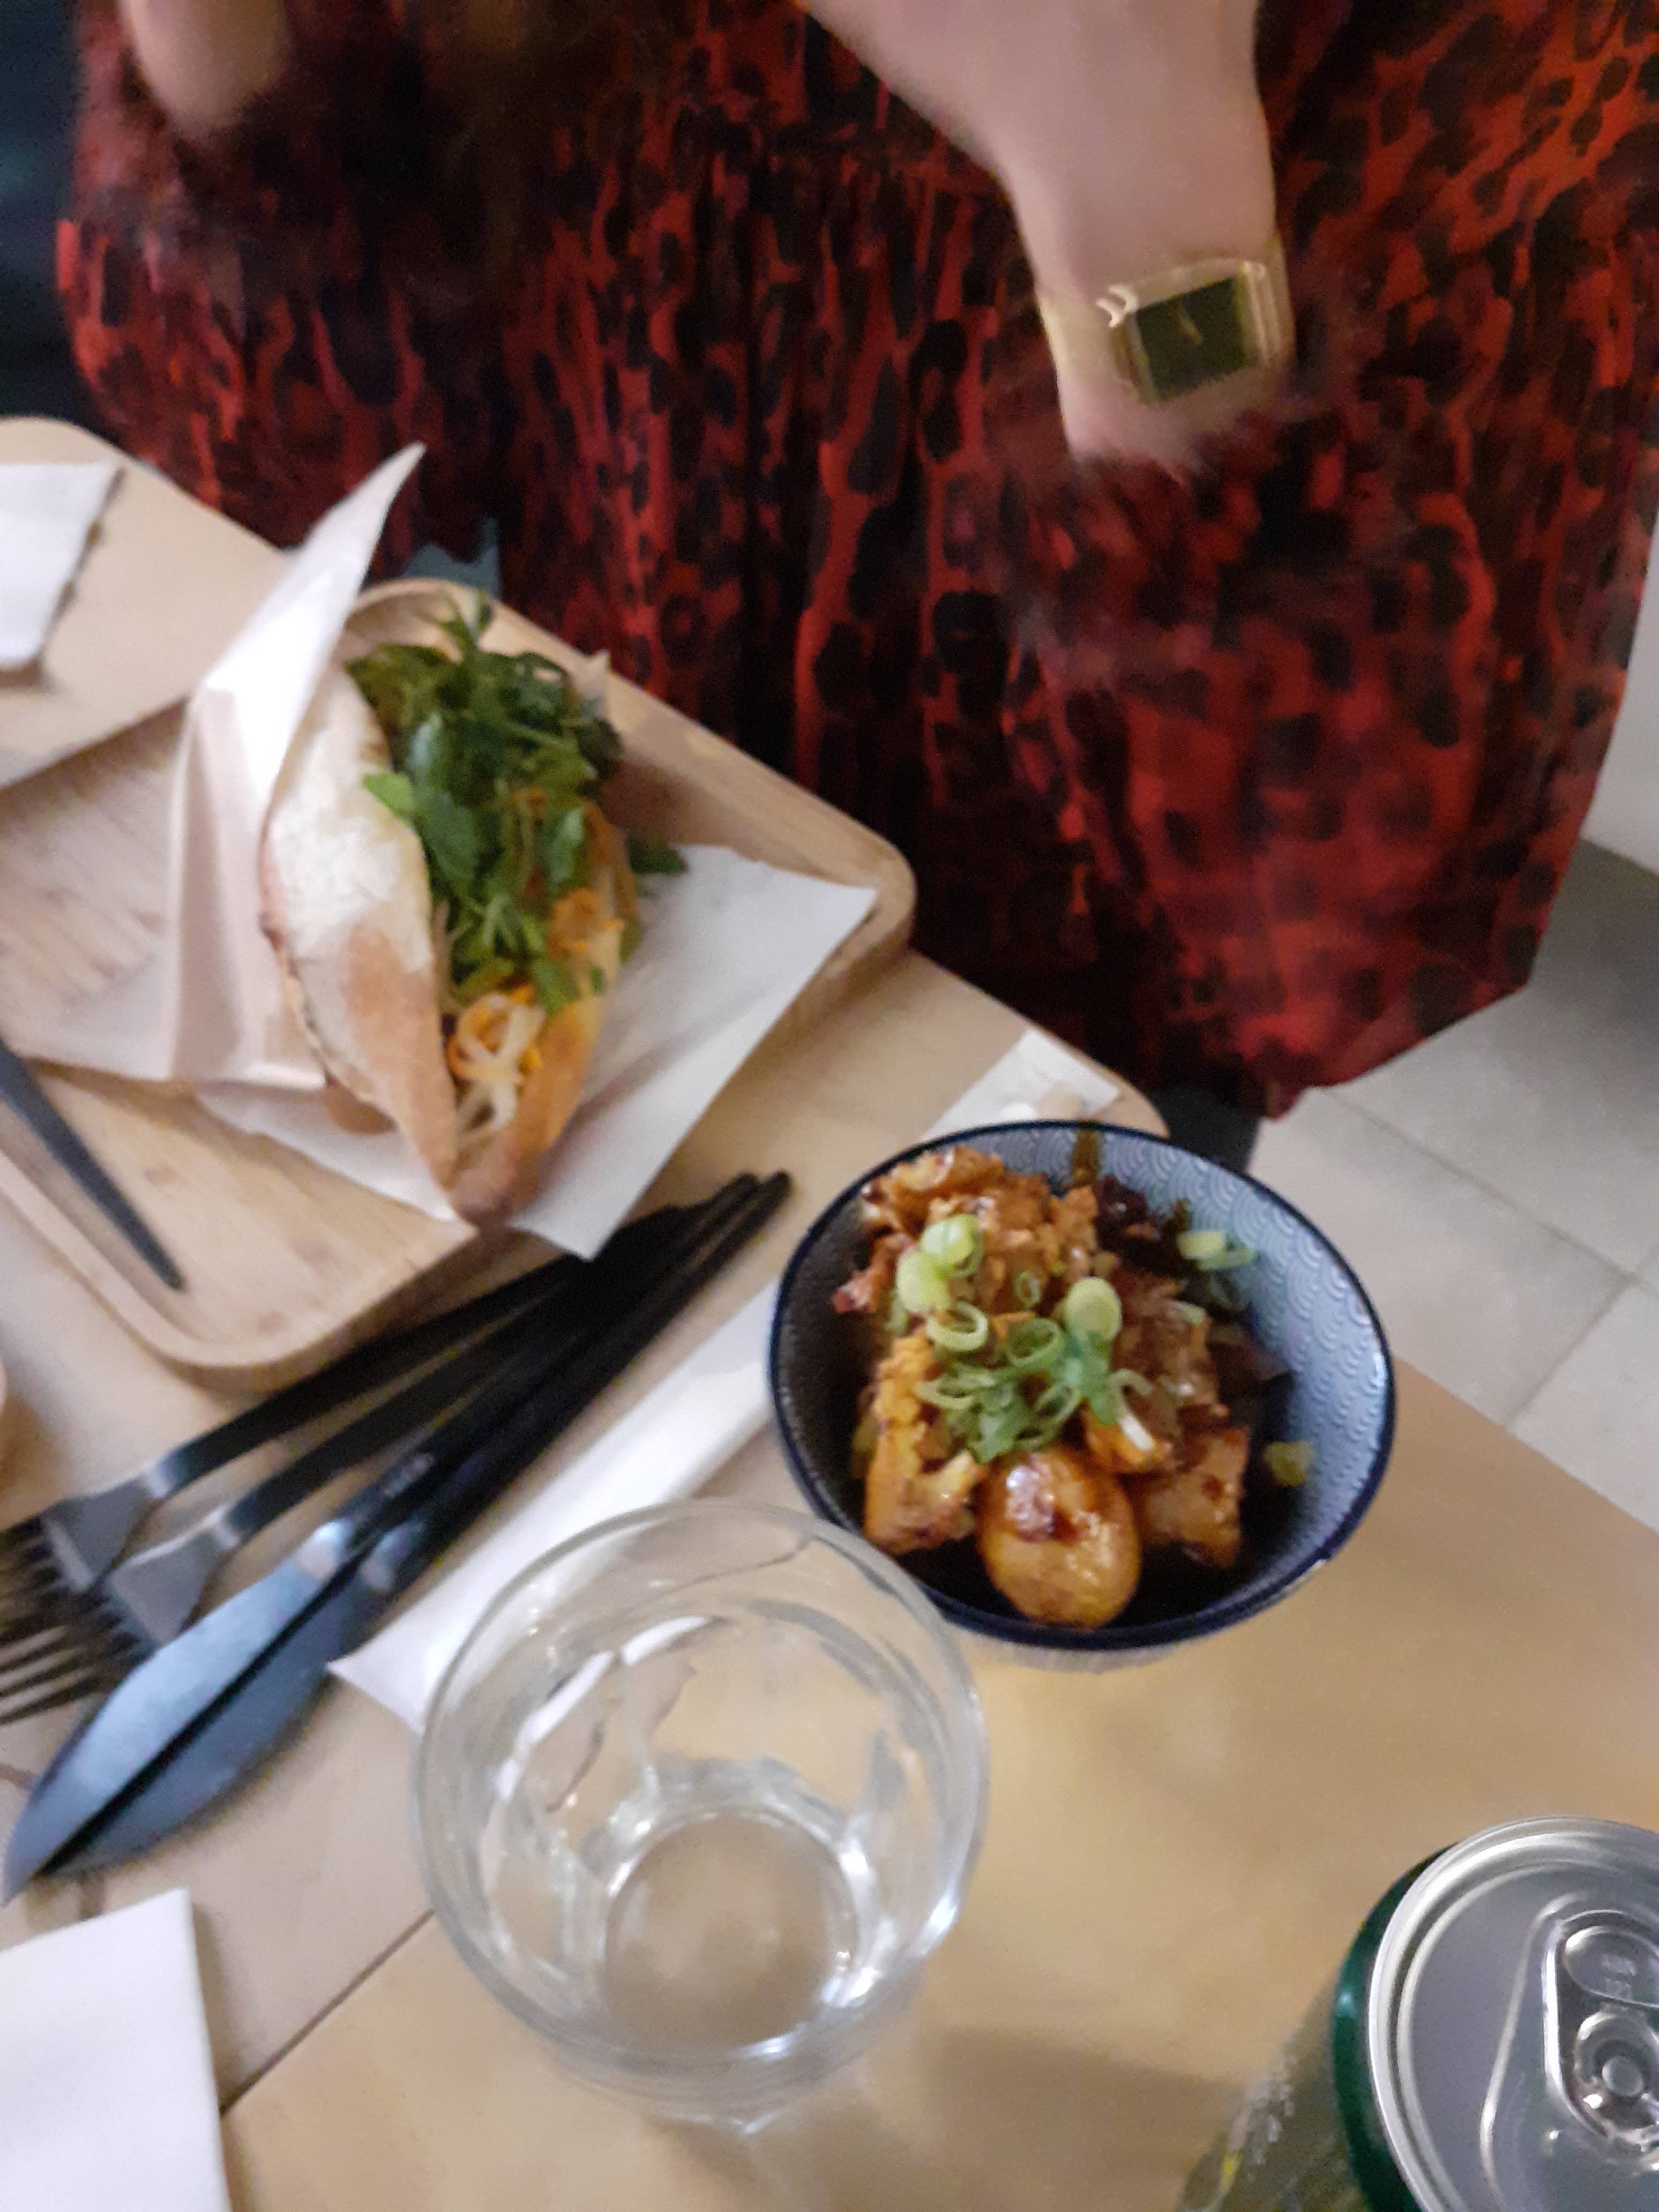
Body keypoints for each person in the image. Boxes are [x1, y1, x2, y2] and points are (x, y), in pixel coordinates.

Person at [60, 0, 1658, 1168]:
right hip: (602, 903)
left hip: (1043, 1071)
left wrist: (1143, 194)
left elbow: (1314, 941)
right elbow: (283, 459)